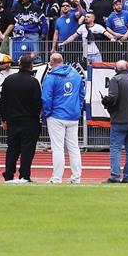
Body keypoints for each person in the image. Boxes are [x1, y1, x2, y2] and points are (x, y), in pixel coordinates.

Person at [41, 52, 85, 184]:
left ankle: (57, 177)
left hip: (56, 115)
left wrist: (46, 113)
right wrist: (77, 108)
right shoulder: (76, 75)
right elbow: (81, 94)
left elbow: (46, 98)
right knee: (74, 147)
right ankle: (76, 177)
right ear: (62, 61)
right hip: (72, 115)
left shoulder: (51, 77)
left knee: (57, 148)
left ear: (52, 62)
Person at [101, 58, 128, 183]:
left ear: (116, 69)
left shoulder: (115, 80)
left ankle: (115, 176)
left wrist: (105, 101)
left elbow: (113, 98)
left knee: (116, 148)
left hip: (119, 119)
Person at [0, 54, 42, 183]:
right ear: (31, 66)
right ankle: (24, 175)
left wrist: (3, 119)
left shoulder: (9, 80)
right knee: (27, 150)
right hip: (29, 121)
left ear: (19, 65)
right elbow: (37, 104)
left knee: (12, 148)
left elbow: (3, 101)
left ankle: (8, 175)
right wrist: (37, 119)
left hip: (12, 120)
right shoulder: (33, 82)